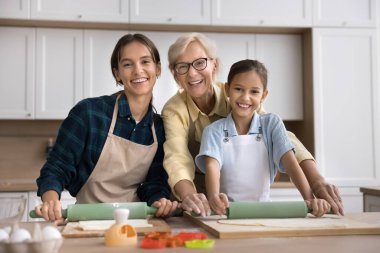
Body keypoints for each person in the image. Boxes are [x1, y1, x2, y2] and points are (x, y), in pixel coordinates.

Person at [161, 32, 343, 217]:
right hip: (199, 204)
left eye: (200, 62)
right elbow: (177, 159)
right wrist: (191, 195)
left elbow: (282, 139)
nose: (192, 72)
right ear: (175, 74)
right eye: (182, 66)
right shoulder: (175, 111)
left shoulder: (236, 95)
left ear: (214, 65)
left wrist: (316, 181)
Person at [35, 33, 179, 224]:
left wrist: (159, 200)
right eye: (127, 64)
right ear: (117, 73)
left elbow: (154, 182)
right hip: (86, 220)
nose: (138, 70)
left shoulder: (158, 128)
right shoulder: (89, 113)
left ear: (157, 69)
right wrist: (51, 202)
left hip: (136, 222)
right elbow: (57, 167)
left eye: (145, 62)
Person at [194, 59, 330, 217]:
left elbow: (291, 163)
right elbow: (212, 169)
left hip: (265, 213)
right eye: (238, 89)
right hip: (226, 213)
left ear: (264, 95)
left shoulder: (271, 124)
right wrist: (214, 198)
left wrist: (310, 200)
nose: (245, 97)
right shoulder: (213, 131)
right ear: (227, 89)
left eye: (254, 92)